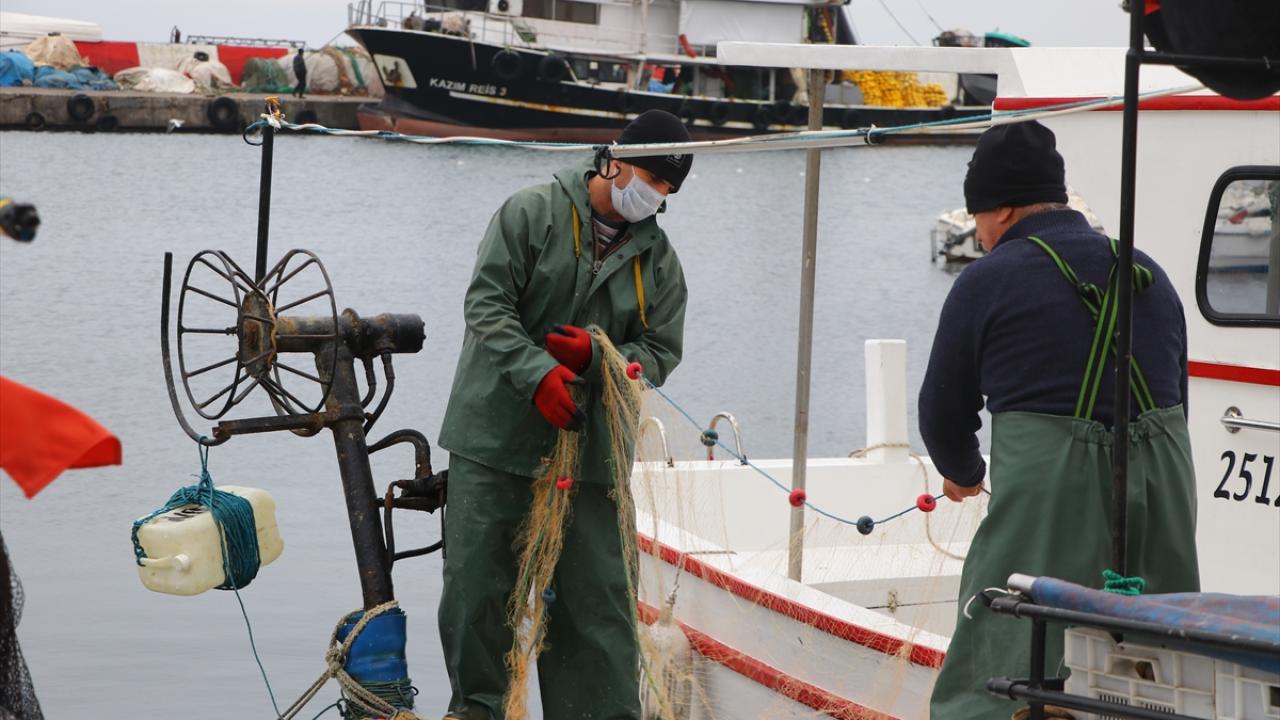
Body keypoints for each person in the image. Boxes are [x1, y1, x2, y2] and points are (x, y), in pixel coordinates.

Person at [919, 120, 1200, 719]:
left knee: (1015, 655)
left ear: (1004, 209)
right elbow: (1179, 395)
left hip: (1053, 500)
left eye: (980, 220)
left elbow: (942, 411)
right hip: (1163, 487)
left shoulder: (987, 280)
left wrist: (963, 472)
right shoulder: (1147, 271)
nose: (980, 235)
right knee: (1156, 655)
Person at [436, 109, 693, 720]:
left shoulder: (659, 262)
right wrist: (538, 374)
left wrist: (603, 354)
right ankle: (478, 712)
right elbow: (486, 305)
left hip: (592, 458)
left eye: (667, 190)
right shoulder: (530, 213)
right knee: (477, 598)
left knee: (596, 612)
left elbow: (660, 352)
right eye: (651, 180)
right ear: (615, 161)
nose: (654, 197)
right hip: (493, 443)